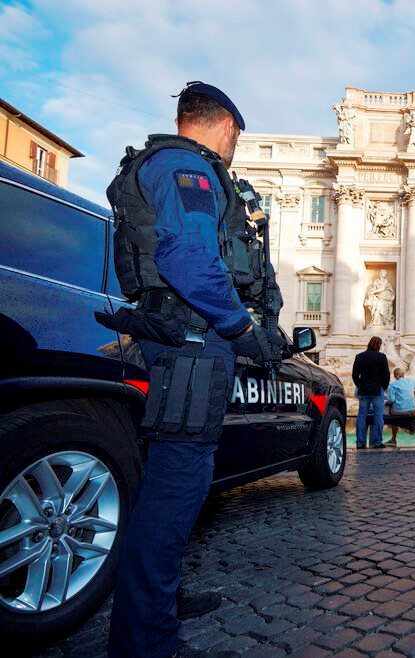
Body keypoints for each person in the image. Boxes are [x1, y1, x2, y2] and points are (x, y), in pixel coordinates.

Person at [104, 81, 278, 658]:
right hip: (193, 342)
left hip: (185, 340)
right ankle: (146, 641)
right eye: (236, 137)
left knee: (176, 480)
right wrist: (241, 327)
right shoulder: (185, 167)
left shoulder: (170, 165)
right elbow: (186, 255)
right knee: (177, 485)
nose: (235, 148)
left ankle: (158, 598)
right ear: (225, 126)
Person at [353, 336, 391, 449]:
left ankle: (360, 443)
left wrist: (359, 385)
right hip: (377, 389)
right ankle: (377, 442)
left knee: (361, 416)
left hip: (363, 389)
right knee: (378, 416)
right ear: (379, 345)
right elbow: (386, 375)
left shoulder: (359, 356)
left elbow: (355, 374)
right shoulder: (381, 357)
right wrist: (383, 387)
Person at [385, 366, 415, 445]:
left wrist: (387, 402)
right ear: (403, 374)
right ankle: (409, 427)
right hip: (412, 410)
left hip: (399, 412)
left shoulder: (392, 385)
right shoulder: (410, 382)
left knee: (390, 413)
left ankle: (394, 438)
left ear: (394, 376)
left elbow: (392, 400)